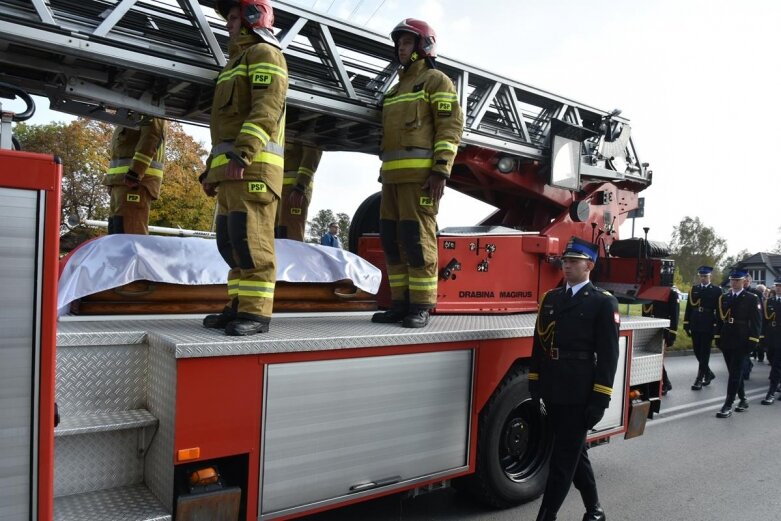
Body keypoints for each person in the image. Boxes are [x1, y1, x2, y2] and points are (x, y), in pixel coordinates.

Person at [199, 0, 288, 336]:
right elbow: (224, 130)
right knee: (231, 242)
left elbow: (266, 110)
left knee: (252, 243)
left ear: (254, 18)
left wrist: (243, 155)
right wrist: (212, 170)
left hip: (254, 170)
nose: (228, 25)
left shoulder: (265, 54)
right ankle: (237, 306)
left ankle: (256, 314)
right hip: (232, 172)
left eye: (234, 18)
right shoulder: (233, 64)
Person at [370, 18, 464, 329]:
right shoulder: (395, 91)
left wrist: (441, 170)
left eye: (407, 42)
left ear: (423, 46)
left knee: (417, 240)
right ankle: (400, 303)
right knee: (393, 241)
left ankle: (421, 306)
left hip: (421, 180)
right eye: (399, 43)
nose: (400, 47)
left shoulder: (437, 81)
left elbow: (450, 128)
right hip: (392, 181)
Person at [529, 237, 619, 521]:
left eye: (573, 262)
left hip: (579, 391)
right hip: (553, 386)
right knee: (575, 453)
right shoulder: (551, 298)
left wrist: (600, 398)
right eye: (565, 261)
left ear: (589, 265)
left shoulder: (603, 302)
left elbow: (608, 355)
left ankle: (547, 516)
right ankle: (594, 510)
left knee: (562, 460)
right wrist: (535, 381)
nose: (566, 266)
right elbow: (539, 343)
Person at [103, 116, 167, 234]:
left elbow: (151, 138)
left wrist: (135, 172)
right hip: (121, 183)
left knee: (129, 233)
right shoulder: (132, 111)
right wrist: (111, 181)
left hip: (134, 182)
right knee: (117, 230)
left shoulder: (150, 107)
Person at [714, 269, 762, 418]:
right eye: (732, 280)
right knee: (734, 372)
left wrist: (753, 341)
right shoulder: (725, 297)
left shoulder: (751, 298)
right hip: (727, 338)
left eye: (737, 280)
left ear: (744, 282)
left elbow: (756, 322)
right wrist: (717, 336)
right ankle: (743, 399)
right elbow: (719, 320)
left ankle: (728, 404)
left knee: (735, 373)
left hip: (742, 339)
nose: (734, 283)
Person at [683, 266, 720, 390]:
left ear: (710, 277)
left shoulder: (716, 291)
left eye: (705, 276)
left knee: (705, 352)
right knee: (697, 351)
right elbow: (689, 307)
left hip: (708, 324)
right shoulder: (694, 289)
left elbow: (719, 311)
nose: (703, 278)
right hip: (695, 322)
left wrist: (716, 327)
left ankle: (700, 378)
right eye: (701, 276)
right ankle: (708, 373)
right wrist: (686, 323)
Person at [275, 142, 322, 241]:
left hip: (295, 191)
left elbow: (312, 156)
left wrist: (300, 186)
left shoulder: (307, 132)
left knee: (291, 234)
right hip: (279, 190)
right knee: (278, 233)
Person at [642, 286, 679, 395]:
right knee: (650, 358)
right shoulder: (649, 291)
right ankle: (662, 382)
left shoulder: (671, 293)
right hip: (649, 328)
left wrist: (672, 334)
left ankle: (665, 383)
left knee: (657, 359)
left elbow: (674, 315)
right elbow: (645, 312)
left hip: (662, 330)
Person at [761, 279, 781, 404]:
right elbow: (764, 320)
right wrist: (762, 337)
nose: (778, 288)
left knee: (776, 365)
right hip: (772, 336)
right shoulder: (769, 301)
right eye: (777, 286)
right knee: (772, 359)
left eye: (780, 286)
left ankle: (771, 392)